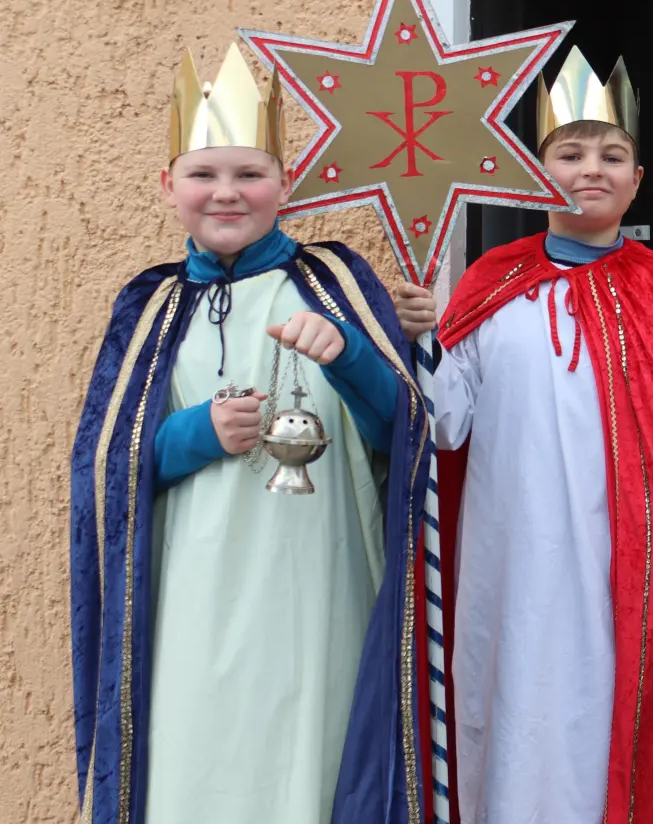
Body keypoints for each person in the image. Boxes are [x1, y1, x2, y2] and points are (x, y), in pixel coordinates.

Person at [68, 44, 431, 824]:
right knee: (197, 758)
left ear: (284, 183)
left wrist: (351, 361)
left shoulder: (335, 283)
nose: (226, 193)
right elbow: (103, 470)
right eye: (203, 174)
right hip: (190, 588)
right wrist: (196, 433)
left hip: (315, 575)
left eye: (249, 174)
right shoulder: (150, 307)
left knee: (306, 749)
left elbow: (399, 438)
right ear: (168, 186)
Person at [392, 48, 653, 824]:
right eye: (568, 153)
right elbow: (448, 421)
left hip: (618, 567)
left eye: (613, 155)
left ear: (637, 179)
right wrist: (419, 343)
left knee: (603, 721)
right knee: (510, 710)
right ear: (530, 173)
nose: (590, 170)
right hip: (510, 559)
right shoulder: (489, 282)